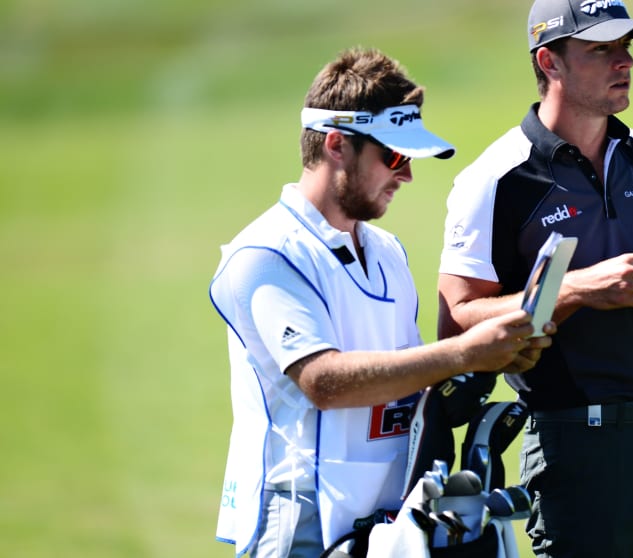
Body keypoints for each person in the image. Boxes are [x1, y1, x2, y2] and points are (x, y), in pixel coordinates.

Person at [208, 47, 554, 558]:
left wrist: (485, 365)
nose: (407, 174)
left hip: (389, 521)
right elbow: (323, 381)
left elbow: (403, 381)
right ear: (336, 145)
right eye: (393, 156)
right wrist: (463, 353)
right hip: (303, 519)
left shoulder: (386, 252)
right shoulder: (265, 255)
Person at [436, 1, 633, 556]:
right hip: (578, 444)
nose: (623, 62)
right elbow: (460, 318)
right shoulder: (496, 177)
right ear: (549, 61)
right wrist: (578, 288)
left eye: (626, 48)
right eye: (602, 49)